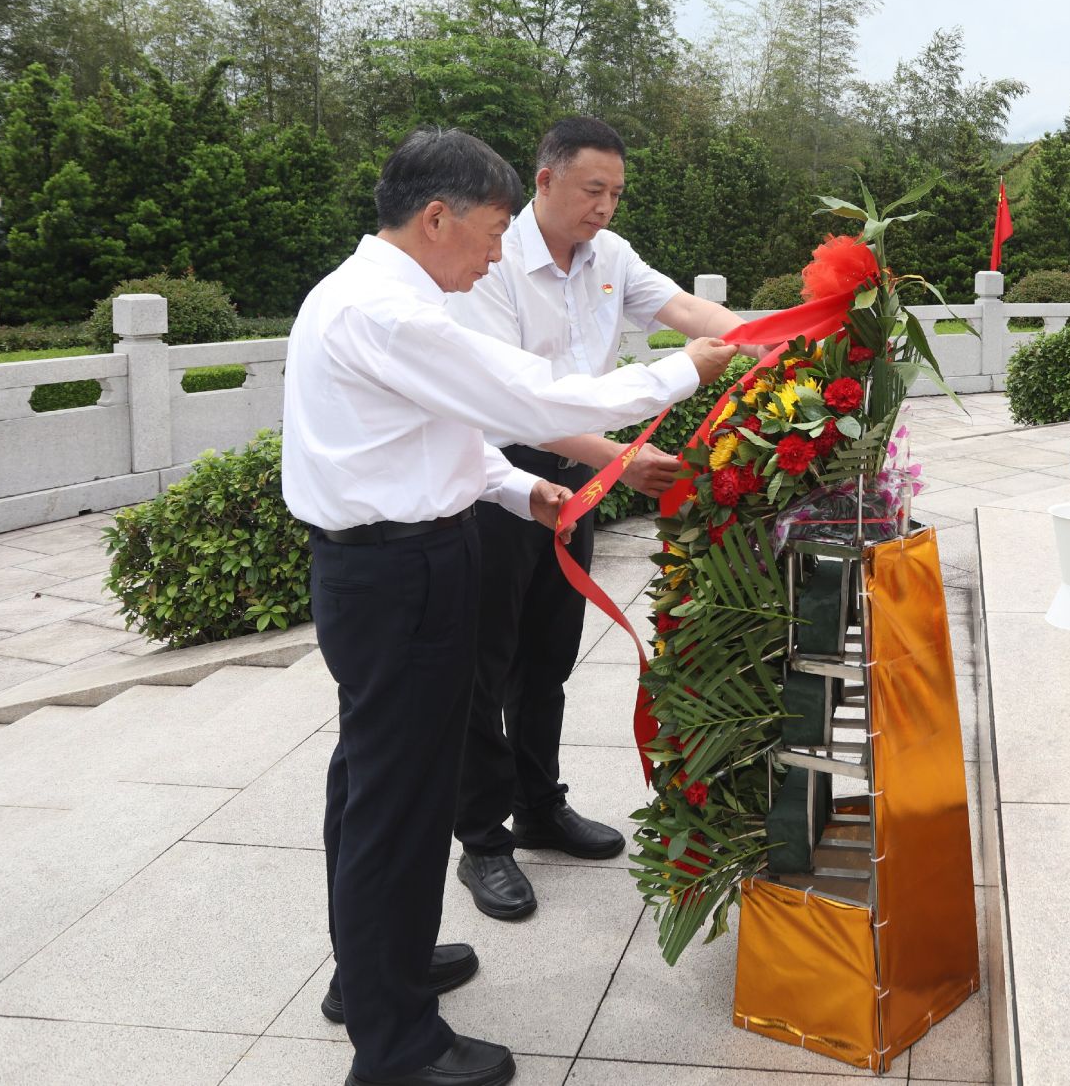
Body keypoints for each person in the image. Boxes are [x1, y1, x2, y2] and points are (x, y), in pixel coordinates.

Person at [281, 127, 733, 1086]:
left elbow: (439, 429)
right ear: (435, 218)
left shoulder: (369, 295)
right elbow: (532, 399)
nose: (496, 254)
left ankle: (374, 973)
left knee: (371, 785)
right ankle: (397, 1046)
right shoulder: (390, 313)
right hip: (400, 576)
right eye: (491, 233)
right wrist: (682, 370)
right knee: (398, 805)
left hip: (393, 564)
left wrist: (517, 489)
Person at [446, 116, 746, 919]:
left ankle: (539, 804)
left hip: (580, 478)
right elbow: (517, 407)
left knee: (548, 655)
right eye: (592, 190)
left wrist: (771, 337)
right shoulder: (494, 262)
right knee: (484, 666)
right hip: (502, 479)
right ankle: (482, 840)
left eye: (615, 192)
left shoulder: (609, 256)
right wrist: (619, 459)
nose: (605, 206)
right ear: (544, 180)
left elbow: (683, 308)